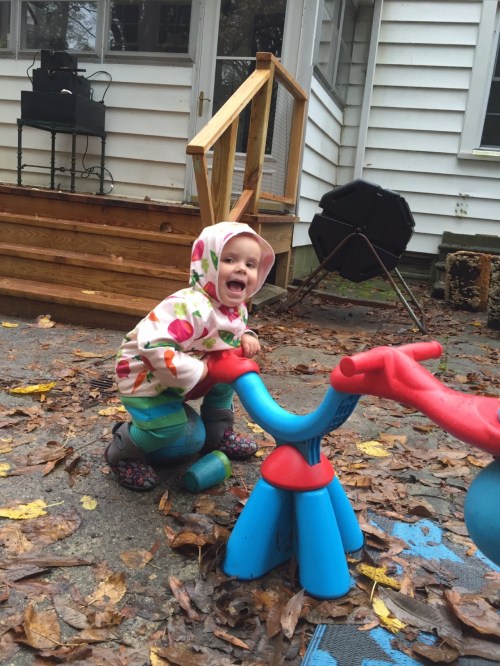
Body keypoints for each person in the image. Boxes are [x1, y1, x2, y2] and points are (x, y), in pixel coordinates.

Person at [105, 221, 275, 491]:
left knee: (225, 382)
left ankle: (218, 434)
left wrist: (246, 334)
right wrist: (199, 370)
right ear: (207, 264)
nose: (242, 268)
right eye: (229, 260)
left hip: (189, 372)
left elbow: (228, 329)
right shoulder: (187, 306)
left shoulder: (234, 307)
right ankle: (123, 452)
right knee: (167, 427)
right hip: (146, 378)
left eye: (250, 264)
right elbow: (153, 346)